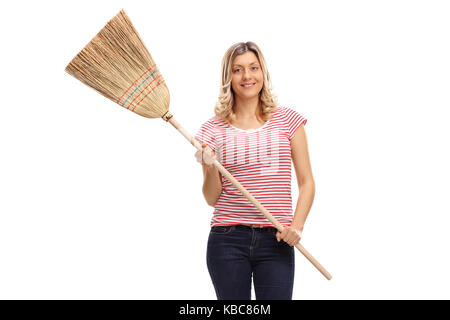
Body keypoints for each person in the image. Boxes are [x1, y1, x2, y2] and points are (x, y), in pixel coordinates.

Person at [194, 41, 315, 300]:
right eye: (237, 70)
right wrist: (208, 166)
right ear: (228, 77)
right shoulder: (212, 129)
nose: (247, 76)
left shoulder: (288, 120)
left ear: (263, 72)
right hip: (227, 239)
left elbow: (307, 183)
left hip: (277, 239)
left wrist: (297, 226)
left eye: (253, 68)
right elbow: (211, 198)